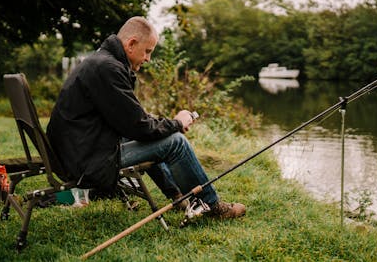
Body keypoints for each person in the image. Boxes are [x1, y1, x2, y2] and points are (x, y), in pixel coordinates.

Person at [46, 16, 245, 219]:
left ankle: (177, 196)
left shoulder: (100, 62)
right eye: (147, 51)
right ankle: (211, 206)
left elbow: (132, 120)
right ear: (131, 44)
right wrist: (177, 123)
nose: (148, 58)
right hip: (87, 161)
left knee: (156, 136)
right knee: (176, 143)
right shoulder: (108, 69)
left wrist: (167, 124)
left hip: (78, 151)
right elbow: (140, 127)